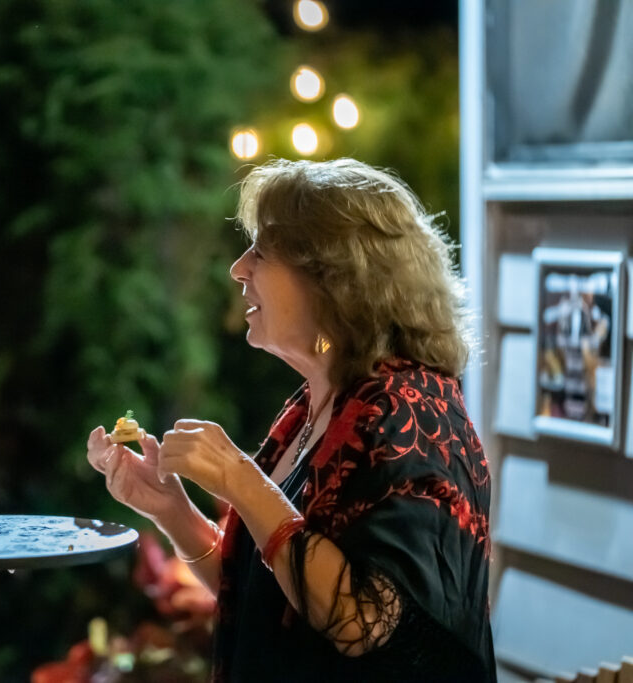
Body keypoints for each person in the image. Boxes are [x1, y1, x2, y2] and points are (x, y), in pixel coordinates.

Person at [87, 158, 495, 681]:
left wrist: (239, 478)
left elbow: (365, 621)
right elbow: (279, 589)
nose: (239, 267)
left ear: (332, 279)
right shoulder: (321, 404)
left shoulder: (409, 411)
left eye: (261, 250)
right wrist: (173, 512)